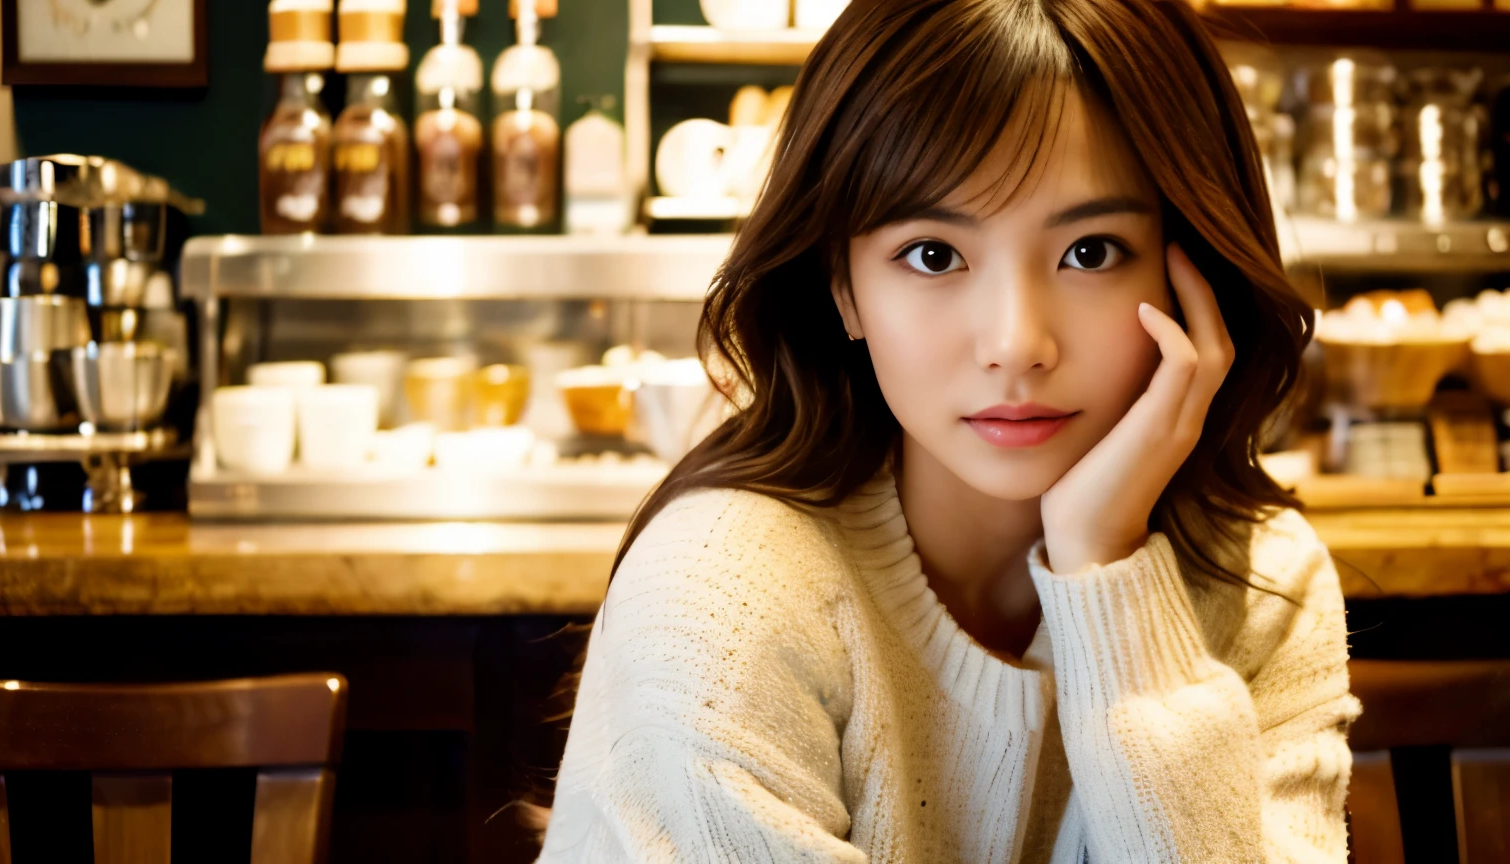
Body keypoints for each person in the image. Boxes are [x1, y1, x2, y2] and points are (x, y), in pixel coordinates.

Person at [535, 0, 1360, 860]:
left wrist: (1108, 575)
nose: (1015, 345)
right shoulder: (723, 589)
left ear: (1199, 272)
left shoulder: (1261, 580)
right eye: (933, 254)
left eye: (1091, 252)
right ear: (843, 287)